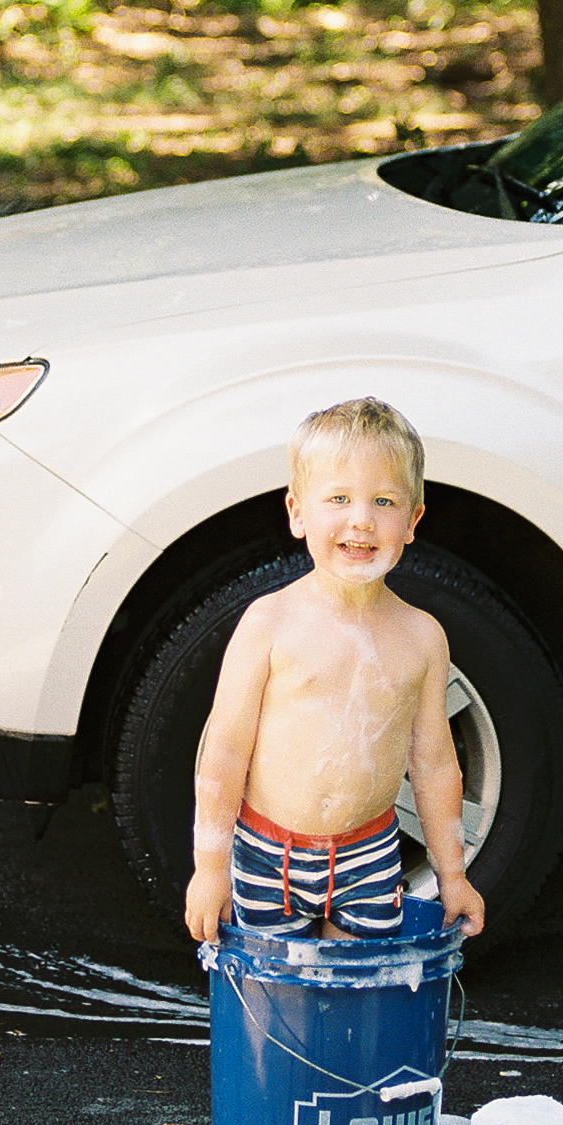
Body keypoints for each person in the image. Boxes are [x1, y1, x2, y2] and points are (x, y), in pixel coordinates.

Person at [183, 398, 486, 944]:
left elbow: (436, 763)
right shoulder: (269, 623)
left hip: (368, 854)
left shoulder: (421, 637)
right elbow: (224, 751)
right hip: (268, 853)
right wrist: (209, 869)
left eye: (384, 501)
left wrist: (453, 874)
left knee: (354, 1002)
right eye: (339, 498)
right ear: (298, 513)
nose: (361, 519)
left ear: (413, 520)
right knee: (278, 996)